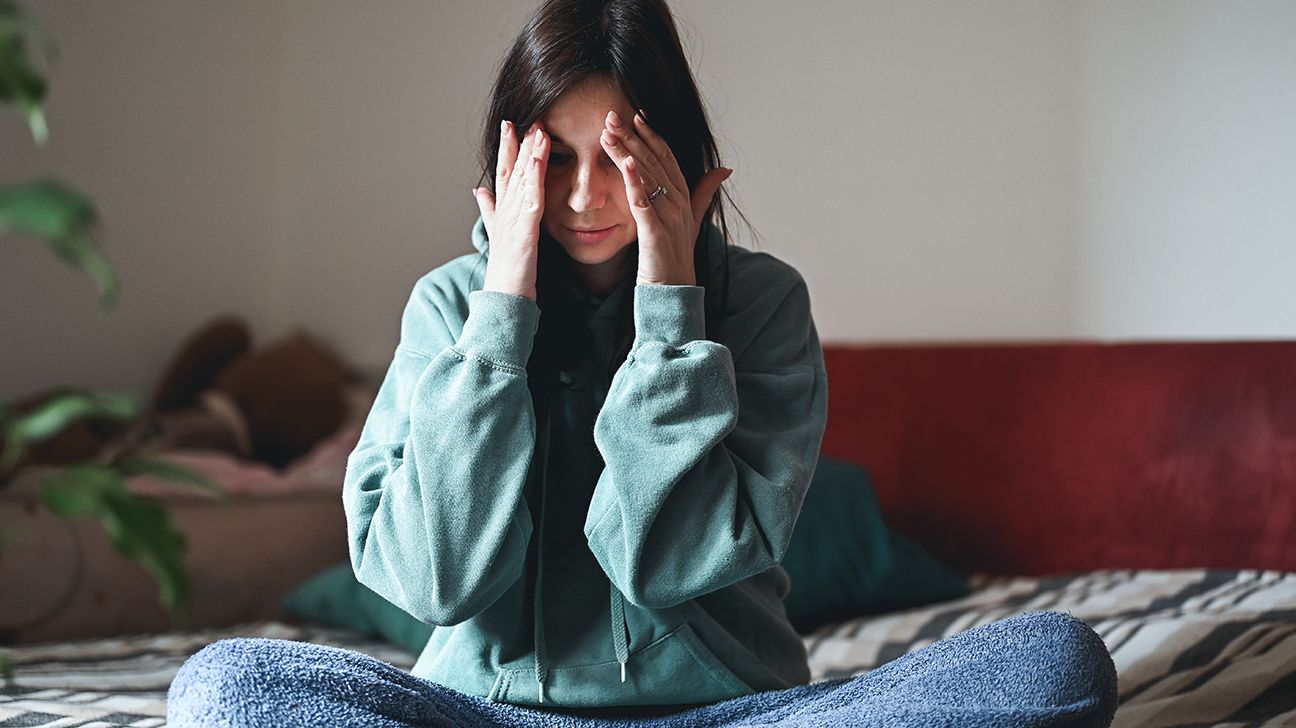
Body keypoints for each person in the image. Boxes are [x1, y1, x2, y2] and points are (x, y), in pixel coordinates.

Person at [167, 1, 1119, 725]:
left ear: (674, 150)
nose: (587, 197)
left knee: (1055, 663)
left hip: (727, 714)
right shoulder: (449, 306)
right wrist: (502, 315)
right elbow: (434, 582)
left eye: (619, 156)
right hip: (489, 715)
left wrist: (671, 304)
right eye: (557, 159)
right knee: (222, 688)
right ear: (510, 161)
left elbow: (662, 563)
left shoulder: (762, 305)